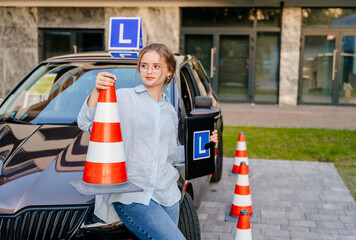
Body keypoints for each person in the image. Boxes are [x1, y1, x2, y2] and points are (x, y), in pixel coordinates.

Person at [77, 43, 218, 240]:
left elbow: (170, 155)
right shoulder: (123, 98)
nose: (149, 71)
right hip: (133, 196)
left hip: (167, 195)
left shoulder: (169, 111)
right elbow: (85, 121)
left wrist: (204, 145)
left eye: (156, 66)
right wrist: (96, 91)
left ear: (169, 71)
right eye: (144, 66)